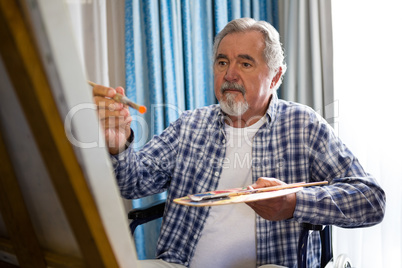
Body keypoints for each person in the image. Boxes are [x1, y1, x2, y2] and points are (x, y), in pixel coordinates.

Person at [92, 18, 386, 268]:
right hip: (179, 263)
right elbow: (133, 184)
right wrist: (120, 145)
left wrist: (295, 204)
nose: (229, 75)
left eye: (245, 63)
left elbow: (371, 199)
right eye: (223, 62)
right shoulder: (190, 125)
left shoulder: (303, 125)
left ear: (275, 76)